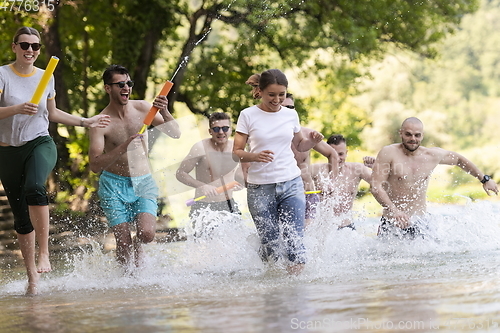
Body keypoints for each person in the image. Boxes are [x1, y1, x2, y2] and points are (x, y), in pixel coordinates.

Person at [0, 27, 111, 295]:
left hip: (39, 142)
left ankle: (45, 253)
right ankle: (32, 279)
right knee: (20, 219)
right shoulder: (2, 74)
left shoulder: (45, 76)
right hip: (7, 151)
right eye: (24, 45)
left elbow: (52, 113)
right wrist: (17, 108)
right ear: (14, 47)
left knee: (35, 188)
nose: (30, 50)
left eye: (35, 46)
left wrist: (86, 122)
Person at [89, 64, 180, 269]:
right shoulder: (100, 123)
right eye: (120, 84)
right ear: (107, 88)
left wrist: (164, 111)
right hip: (113, 185)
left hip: (143, 180)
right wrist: (123, 147)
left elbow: (175, 133)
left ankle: (139, 250)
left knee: (146, 235)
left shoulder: (143, 109)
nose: (126, 88)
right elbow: (94, 165)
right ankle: (126, 286)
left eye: (129, 83)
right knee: (122, 243)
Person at [233, 69, 324, 275]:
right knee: (271, 244)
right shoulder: (247, 115)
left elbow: (300, 145)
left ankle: (295, 291)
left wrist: (313, 141)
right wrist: (254, 156)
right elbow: (236, 152)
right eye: (271, 95)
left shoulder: (290, 114)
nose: (277, 100)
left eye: (281, 94)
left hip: (291, 182)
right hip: (260, 188)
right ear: (261, 91)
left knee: (295, 240)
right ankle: (275, 291)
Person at [370, 117, 498, 239]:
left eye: (417, 135)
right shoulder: (389, 153)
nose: (413, 139)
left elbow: (459, 159)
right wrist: (394, 211)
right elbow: (376, 187)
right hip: (393, 221)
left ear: (422, 135)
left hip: (420, 222)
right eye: (408, 134)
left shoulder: (431, 155)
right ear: (401, 133)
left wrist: (485, 179)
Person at [246, 76, 338, 227]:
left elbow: (332, 154)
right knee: (276, 241)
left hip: (305, 194)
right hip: (273, 194)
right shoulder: (261, 137)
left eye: (291, 108)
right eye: (284, 107)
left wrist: (331, 183)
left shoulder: (308, 135)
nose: (286, 111)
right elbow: (247, 165)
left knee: (303, 235)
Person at [176, 112, 246, 220]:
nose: (221, 132)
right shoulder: (200, 148)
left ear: (231, 130)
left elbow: (243, 174)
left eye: (225, 128)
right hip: (203, 205)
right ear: (210, 131)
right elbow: (180, 173)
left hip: (229, 204)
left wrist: (241, 183)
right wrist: (202, 186)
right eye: (216, 129)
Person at [311, 134, 373, 230]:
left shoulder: (357, 170)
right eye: (333, 154)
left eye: (340, 154)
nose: (337, 158)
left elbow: (380, 183)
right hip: (324, 228)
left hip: (347, 227)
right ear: (326, 153)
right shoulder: (316, 170)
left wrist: (376, 167)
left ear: (346, 153)